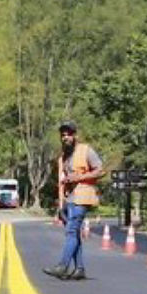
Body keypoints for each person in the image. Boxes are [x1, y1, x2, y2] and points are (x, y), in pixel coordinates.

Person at [43, 120, 103, 281]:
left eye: (69, 134)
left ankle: (62, 266)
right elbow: (62, 181)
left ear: (75, 135)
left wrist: (79, 177)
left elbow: (100, 170)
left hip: (82, 196)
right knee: (74, 233)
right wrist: (60, 203)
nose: (65, 137)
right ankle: (80, 268)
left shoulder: (86, 150)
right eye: (63, 135)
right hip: (69, 198)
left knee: (71, 231)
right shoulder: (63, 157)